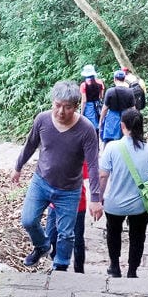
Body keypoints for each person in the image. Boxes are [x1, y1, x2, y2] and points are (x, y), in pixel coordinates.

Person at [12, 82, 103, 271]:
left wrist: (96, 198)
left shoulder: (86, 129)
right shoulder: (42, 120)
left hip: (69, 190)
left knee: (66, 234)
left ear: (76, 106)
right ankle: (42, 245)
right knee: (28, 220)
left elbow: (93, 165)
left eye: (67, 107)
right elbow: (30, 144)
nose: (61, 111)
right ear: (52, 102)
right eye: (57, 105)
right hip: (41, 182)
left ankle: (60, 266)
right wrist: (18, 166)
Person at [98, 107, 148, 278]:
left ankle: (115, 267)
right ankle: (132, 270)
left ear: (122, 126)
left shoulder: (112, 147)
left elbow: (103, 176)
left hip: (114, 203)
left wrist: (99, 198)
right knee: (138, 236)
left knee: (113, 233)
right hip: (139, 205)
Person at [46, 163, 88, 273]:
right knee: (51, 237)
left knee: (77, 239)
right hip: (54, 203)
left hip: (77, 205)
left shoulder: (79, 154)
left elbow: (87, 174)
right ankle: (57, 264)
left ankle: (79, 271)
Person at [99, 70, 135, 147]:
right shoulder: (130, 91)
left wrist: (101, 121)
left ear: (115, 79)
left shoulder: (110, 91)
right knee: (125, 138)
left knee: (109, 140)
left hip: (112, 117)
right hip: (126, 117)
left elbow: (105, 109)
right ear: (124, 79)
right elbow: (133, 109)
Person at [78, 65, 104, 130]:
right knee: (100, 121)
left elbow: (84, 101)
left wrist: (81, 113)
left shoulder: (83, 85)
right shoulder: (100, 82)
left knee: (91, 125)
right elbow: (101, 96)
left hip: (89, 106)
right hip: (98, 104)